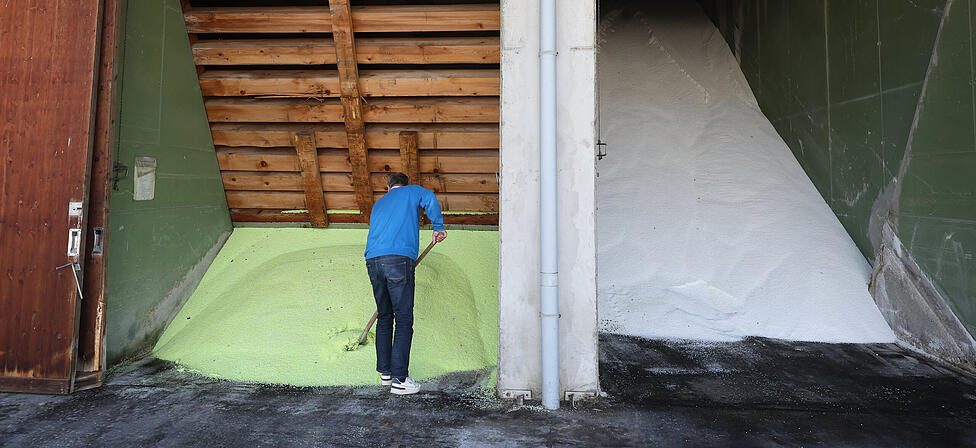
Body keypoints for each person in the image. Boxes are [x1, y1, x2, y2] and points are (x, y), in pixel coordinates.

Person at [364, 172, 447, 395]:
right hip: (398, 261)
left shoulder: (379, 203)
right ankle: (401, 380)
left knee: (384, 316)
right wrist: (438, 227)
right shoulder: (412, 192)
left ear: (387, 187)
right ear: (404, 184)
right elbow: (429, 198)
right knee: (403, 319)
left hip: (372, 261)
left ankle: (386, 372)